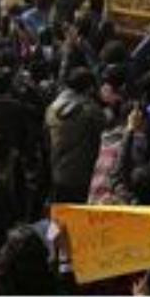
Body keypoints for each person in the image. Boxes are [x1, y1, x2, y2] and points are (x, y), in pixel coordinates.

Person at [44, 66, 105, 204]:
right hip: (82, 175)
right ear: (89, 88)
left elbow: (46, 141)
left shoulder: (52, 108)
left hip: (56, 170)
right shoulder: (91, 111)